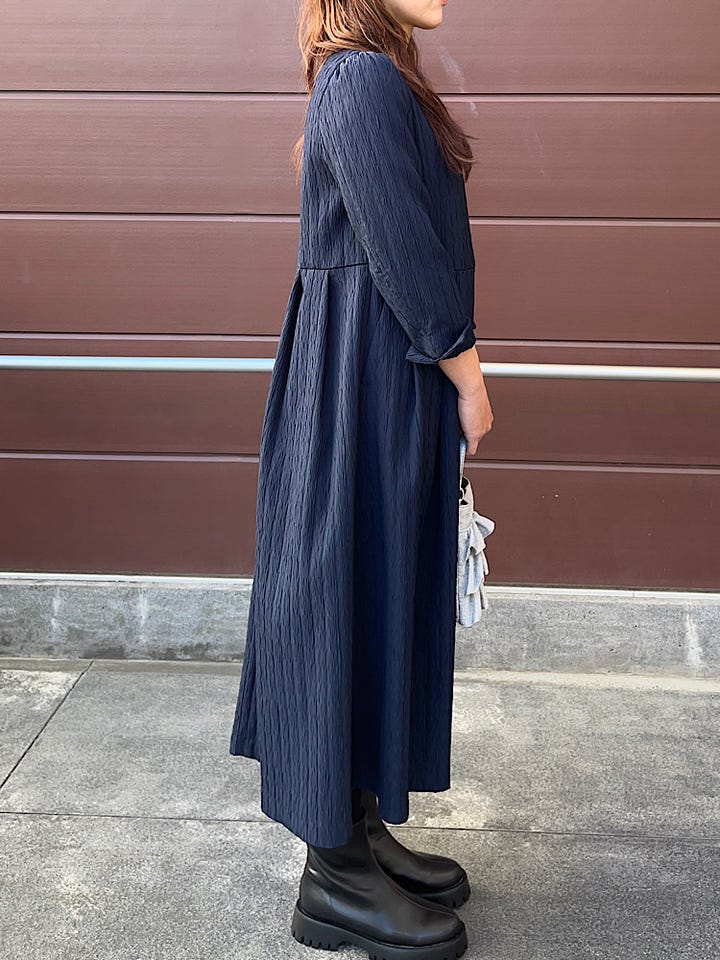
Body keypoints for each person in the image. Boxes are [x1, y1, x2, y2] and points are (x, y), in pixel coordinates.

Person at [229, 1, 493, 956]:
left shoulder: (375, 77)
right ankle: (333, 873)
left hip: (377, 372)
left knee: (371, 586)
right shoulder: (360, 77)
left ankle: (359, 828)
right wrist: (468, 375)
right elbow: (402, 245)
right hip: (362, 381)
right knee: (339, 591)